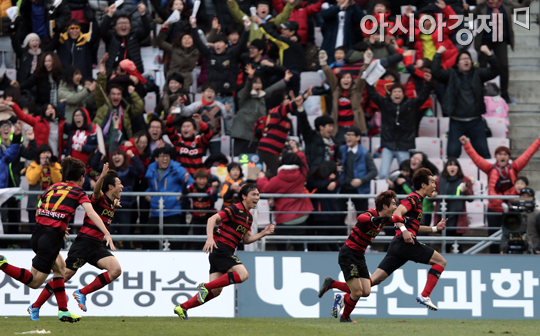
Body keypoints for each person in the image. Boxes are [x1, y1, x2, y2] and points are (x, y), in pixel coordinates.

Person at [0, 157, 114, 323]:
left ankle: (63, 311)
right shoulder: (78, 192)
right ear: (82, 177)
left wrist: (56, 225)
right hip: (51, 239)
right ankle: (3, 264)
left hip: (39, 233)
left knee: (60, 269)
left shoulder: (52, 187)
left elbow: (39, 211)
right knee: (35, 281)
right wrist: (107, 233)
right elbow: (91, 212)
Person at [27, 164, 122, 320]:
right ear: (111, 187)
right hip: (84, 243)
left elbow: (111, 196)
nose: (122, 186)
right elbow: (97, 191)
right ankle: (35, 306)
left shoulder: (112, 203)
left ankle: (81, 293)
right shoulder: (99, 199)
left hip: (96, 246)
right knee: (62, 277)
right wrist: (102, 176)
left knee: (115, 270)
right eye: (119, 184)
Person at [173, 184, 275, 320]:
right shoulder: (235, 208)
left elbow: (246, 239)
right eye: (254, 194)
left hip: (220, 252)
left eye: (258, 194)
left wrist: (263, 233)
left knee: (215, 291)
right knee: (243, 274)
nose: (257, 197)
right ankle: (205, 286)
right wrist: (210, 238)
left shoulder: (249, 218)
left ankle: (182, 307)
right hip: (221, 248)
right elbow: (212, 219)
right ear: (244, 197)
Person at [370, 168, 448, 311]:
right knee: (441, 261)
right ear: (423, 185)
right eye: (432, 182)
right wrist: (404, 231)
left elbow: (414, 227)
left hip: (397, 245)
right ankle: (425, 295)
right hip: (405, 242)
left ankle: (342, 294)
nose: (435, 185)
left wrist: (435, 229)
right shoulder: (413, 199)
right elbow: (397, 213)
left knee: (374, 280)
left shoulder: (419, 201)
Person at [317, 190, 401, 322]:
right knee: (356, 292)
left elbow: (398, 218)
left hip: (360, 256)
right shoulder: (371, 213)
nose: (395, 207)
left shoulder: (385, 219)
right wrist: (374, 219)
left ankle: (333, 284)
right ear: (385, 206)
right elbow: (361, 218)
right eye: (393, 204)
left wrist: (407, 220)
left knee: (366, 292)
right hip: (348, 254)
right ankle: (345, 318)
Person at [460, 134, 540, 253]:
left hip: (511, 210)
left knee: (512, 237)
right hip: (493, 210)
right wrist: (466, 144)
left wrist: (538, 141)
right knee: (493, 238)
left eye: (505, 154)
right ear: (496, 156)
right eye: (500, 154)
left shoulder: (514, 168)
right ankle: (494, 259)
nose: (502, 156)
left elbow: (527, 155)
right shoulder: (489, 168)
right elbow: (476, 158)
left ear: (509, 157)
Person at [432, 45, 500, 159]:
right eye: (463, 59)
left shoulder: (478, 73)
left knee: (484, 155)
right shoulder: (451, 74)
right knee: (452, 155)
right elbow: (436, 72)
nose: (466, 61)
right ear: (457, 63)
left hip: (476, 122)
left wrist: (489, 54)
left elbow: (495, 70)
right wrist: (438, 54)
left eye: (468, 58)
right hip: (456, 122)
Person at [366, 77, 433, 180]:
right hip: (388, 145)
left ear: (403, 94)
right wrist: (369, 81)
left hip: (404, 145)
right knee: (383, 174)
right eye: (394, 92)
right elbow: (373, 94)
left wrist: (428, 83)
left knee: (407, 174)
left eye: (399, 91)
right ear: (391, 94)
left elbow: (423, 97)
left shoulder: (410, 104)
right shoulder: (385, 103)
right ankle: (383, 195)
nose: (397, 94)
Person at [468, 0, 531, 102]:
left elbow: (522, 10)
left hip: (500, 40)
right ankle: (479, 92)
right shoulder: (482, 6)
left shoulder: (506, 4)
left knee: (503, 66)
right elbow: (469, 17)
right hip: (485, 40)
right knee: (482, 66)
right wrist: (465, 9)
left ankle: (504, 92)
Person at [257, 140, 313, 250]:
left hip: (284, 218)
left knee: (281, 244)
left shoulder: (277, 179)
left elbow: (265, 189)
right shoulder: (301, 174)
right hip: (302, 215)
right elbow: (304, 163)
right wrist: (296, 150)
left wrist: (261, 178)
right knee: (299, 246)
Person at [230, 65, 289, 156]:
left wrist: (285, 79)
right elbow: (247, 88)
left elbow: (273, 88)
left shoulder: (262, 96)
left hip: (255, 136)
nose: (258, 85)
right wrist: (250, 78)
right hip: (242, 136)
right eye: (255, 83)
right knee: (240, 162)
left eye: (259, 83)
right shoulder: (243, 95)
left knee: (254, 162)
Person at [145, 146, 193, 249]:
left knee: (175, 243)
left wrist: (180, 195)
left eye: (167, 156)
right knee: (148, 241)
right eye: (162, 156)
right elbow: (150, 187)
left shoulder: (178, 169)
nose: (165, 159)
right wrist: (147, 193)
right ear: (156, 158)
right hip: (155, 210)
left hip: (173, 211)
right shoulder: (151, 169)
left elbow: (190, 183)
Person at [319, 49, 369, 146]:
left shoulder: (357, 89)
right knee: (340, 153)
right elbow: (329, 75)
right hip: (339, 129)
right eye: (343, 78)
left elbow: (362, 76)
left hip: (354, 127)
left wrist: (366, 63)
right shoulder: (336, 89)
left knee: (353, 153)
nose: (346, 80)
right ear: (340, 80)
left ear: (352, 80)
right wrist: (323, 63)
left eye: (348, 78)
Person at [257, 91, 308, 176]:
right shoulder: (279, 110)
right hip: (268, 148)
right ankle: (259, 178)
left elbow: (292, 107)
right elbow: (292, 105)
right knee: (276, 173)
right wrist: (305, 96)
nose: (288, 100)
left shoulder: (281, 113)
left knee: (276, 172)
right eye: (286, 99)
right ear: (281, 102)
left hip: (271, 149)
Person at [176, 83, 229, 154]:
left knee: (215, 161)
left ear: (214, 94)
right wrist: (181, 105)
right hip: (199, 138)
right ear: (202, 93)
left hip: (216, 138)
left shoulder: (219, 105)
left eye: (212, 92)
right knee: (199, 160)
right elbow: (185, 112)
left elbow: (227, 117)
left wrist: (228, 111)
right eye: (207, 91)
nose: (210, 94)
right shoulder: (196, 105)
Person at [338, 127, 378, 218]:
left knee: (363, 218)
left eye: (351, 135)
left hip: (360, 190)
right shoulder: (342, 150)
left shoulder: (365, 153)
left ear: (358, 137)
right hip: (344, 187)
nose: (348, 137)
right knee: (339, 216)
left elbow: (374, 171)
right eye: (347, 135)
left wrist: (361, 181)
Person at [101, 4, 151, 73]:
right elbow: (103, 31)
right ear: (115, 27)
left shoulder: (135, 36)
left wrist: (143, 14)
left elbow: (146, 30)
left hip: (134, 73)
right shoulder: (111, 37)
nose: (123, 25)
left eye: (126, 23)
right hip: (113, 73)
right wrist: (110, 14)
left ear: (130, 26)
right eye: (120, 23)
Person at [434, 158, 474, 243]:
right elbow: (431, 196)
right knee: (446, 243)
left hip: (458, 216)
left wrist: (465, 191)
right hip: (443, 215)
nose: (452, 167)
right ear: (446, 167)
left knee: (457, 243)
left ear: (458, 167)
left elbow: (471, 198)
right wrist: (433, 194)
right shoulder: (438, 180)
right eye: (450, 164)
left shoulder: (465, 179)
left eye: (455, 165)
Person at [156, 24, 199, 93]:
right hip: (172, 81)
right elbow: (160, 42)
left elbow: (206, 44)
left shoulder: (196, 51)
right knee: (167, 101)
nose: (187, 39)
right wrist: (163, 30)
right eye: (184, 38)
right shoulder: (174, 49)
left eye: (189, 38)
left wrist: (214, 30)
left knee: (183, 101)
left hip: (185, 82)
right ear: (180, 41)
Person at [227, 0, 295, 42]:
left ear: (268, 11)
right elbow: (238, 14)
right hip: (252, 52)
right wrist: (231, 2)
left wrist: (290, 5)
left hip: (269, 53)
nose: (263, 8)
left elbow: (283, 16)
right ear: (256, 10)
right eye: (261, 6)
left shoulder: (273, 21)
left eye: (266, 6)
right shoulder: (250, 21)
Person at [320, 0, 363, 64]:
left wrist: (354, 5)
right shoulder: (329, 6)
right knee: (329, 58)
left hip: (348, 39)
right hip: (331, 39)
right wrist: (339, 8)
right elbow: (325, 15)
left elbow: (361, 19)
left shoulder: (351, 9)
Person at [183, 168, 219, 245]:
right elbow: (184, 192)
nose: (202, 181)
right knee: (196, 237)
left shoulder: (209, 188)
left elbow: (214, 198)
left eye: (204, 179)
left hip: (207, 217)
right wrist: (185, 181)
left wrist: (215, 189)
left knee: (207, 236)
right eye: (199, 179)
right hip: (196, 217)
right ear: (195, 180)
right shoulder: (192, 186)